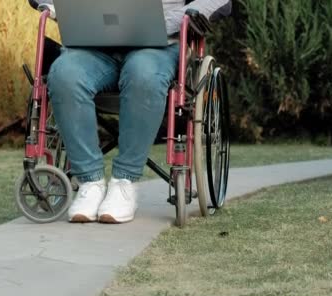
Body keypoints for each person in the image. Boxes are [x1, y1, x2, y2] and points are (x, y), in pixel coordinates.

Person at [40, 0, 231, 224]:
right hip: (93, 47)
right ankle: (89, 182)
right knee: (64, 75)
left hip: (157, 47)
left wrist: (180, 18)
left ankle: (124, 182)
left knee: (144, 75)